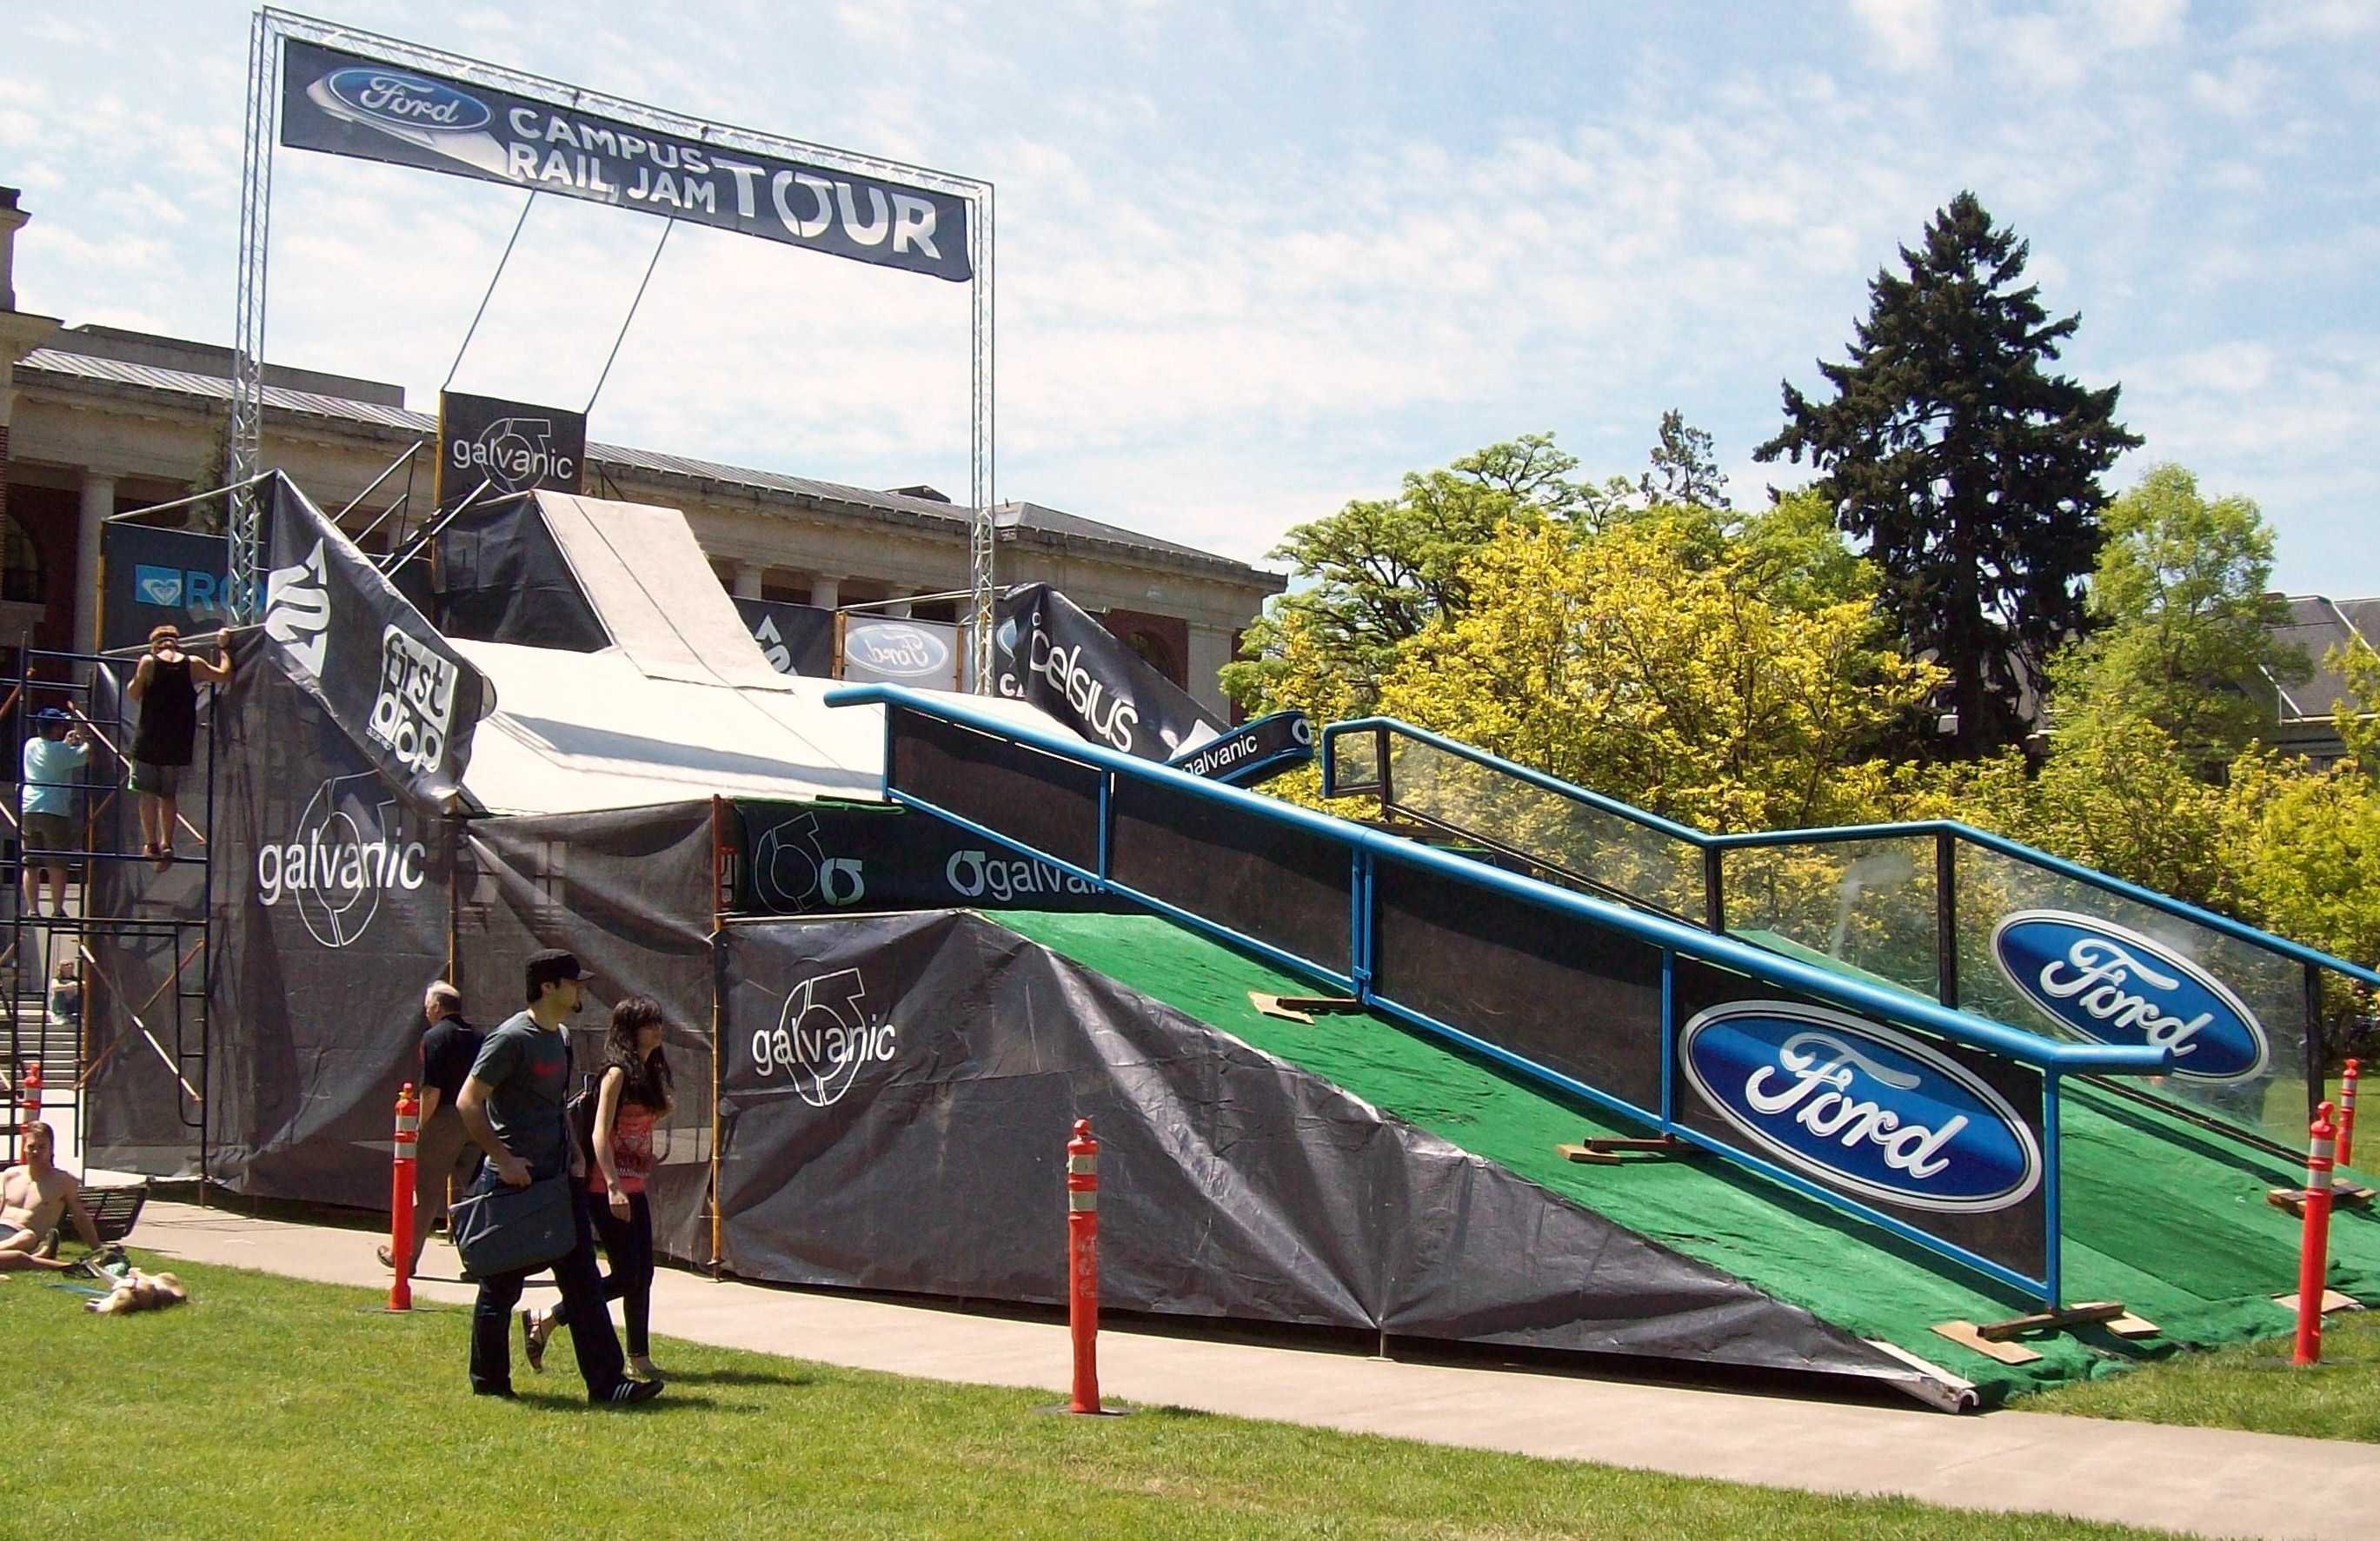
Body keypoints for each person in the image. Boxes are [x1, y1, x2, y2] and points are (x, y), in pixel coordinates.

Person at [454, 949, 660, 1406]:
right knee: (501, 1288)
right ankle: (489, 1383)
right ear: (549, 987)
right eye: (574, 982)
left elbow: (558, 1108)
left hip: (559, 1181)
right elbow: (469, 1102)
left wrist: (574, 1155)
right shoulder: (512, 1039)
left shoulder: (561, 1036)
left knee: (584, 1280)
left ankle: (608, 1385)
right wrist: (504, 1160)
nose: (581, 989)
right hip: (515, 1184)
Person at [525, 996, 674, 1383]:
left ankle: (638, 1355)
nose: (657, 1029)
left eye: (658, 1022)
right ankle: (550, 1317)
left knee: (643, 1274)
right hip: (607, 1187)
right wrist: (612, 1186)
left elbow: (659, 1111)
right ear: (630, 1030)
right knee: (627, 1277)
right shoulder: (616, 1073)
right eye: (648, 1023)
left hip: (635, 1184)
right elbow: (598, 1133)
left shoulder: (649, 1069)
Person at [377, 979, 485, 1277]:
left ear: (437, 1006)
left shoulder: (434, 1037)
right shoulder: (479, 1037)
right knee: (476, 1195)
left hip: (443, 1120)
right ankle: (483, 1262)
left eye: (428, 1006)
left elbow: (431, 1090)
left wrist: (419, 1127)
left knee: (424, 1192)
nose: (426, 1011)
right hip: (477, 1119)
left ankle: (404, 1257)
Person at [125, 624, 230, 872]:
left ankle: (151, 844)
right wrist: (224, 648)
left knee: (147, 794)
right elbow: (225, 675)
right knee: (168, 795)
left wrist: (139, 676)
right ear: (176, 642)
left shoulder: (148, 662)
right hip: (177, 742)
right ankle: (168, 843)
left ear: (155, 644)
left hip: (148, 742)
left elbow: (133, 693)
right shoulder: (192, 663)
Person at [0, 1122, 103, 1272]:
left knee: (27, 1237)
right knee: (15, 1257)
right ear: (24, 1148)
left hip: (25, 1237)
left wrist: (97, 1249)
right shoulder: (10, 1175)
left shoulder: (63, 1181)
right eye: (31, 1147)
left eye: (42, 1147)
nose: (35, 1152)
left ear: (51, 1149)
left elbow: (80, 1218)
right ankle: (38, 1258)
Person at [19, 707, 89, 918]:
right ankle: (57, 910)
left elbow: (56, 756)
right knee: (56, 863)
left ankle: (33, 909)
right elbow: (86, 754)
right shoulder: (60, 752)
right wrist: (83, 731)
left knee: (31, 863)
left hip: (29, 808)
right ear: (57, 728)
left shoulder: (30, 745)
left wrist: (66, 744)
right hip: (53, 811)